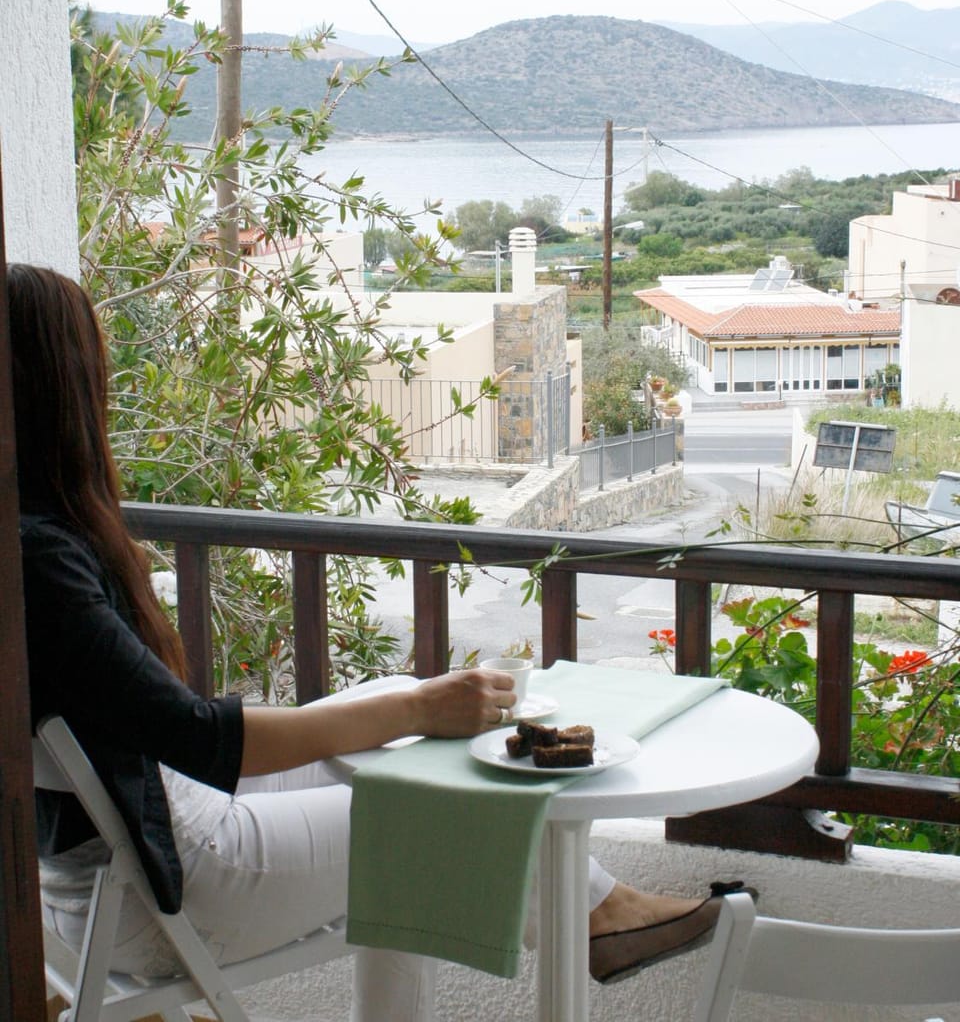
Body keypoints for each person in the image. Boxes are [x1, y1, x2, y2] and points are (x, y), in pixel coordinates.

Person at [15, 263, 746, 1019]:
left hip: (103, 871)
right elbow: (197, 736)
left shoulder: (27, 541)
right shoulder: (43, 560)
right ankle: (602, 917)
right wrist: (420, 713)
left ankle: (603, 907)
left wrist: (412, 705)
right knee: (437, 806)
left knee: (398, 702)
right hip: (172, 886)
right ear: (65, 384)